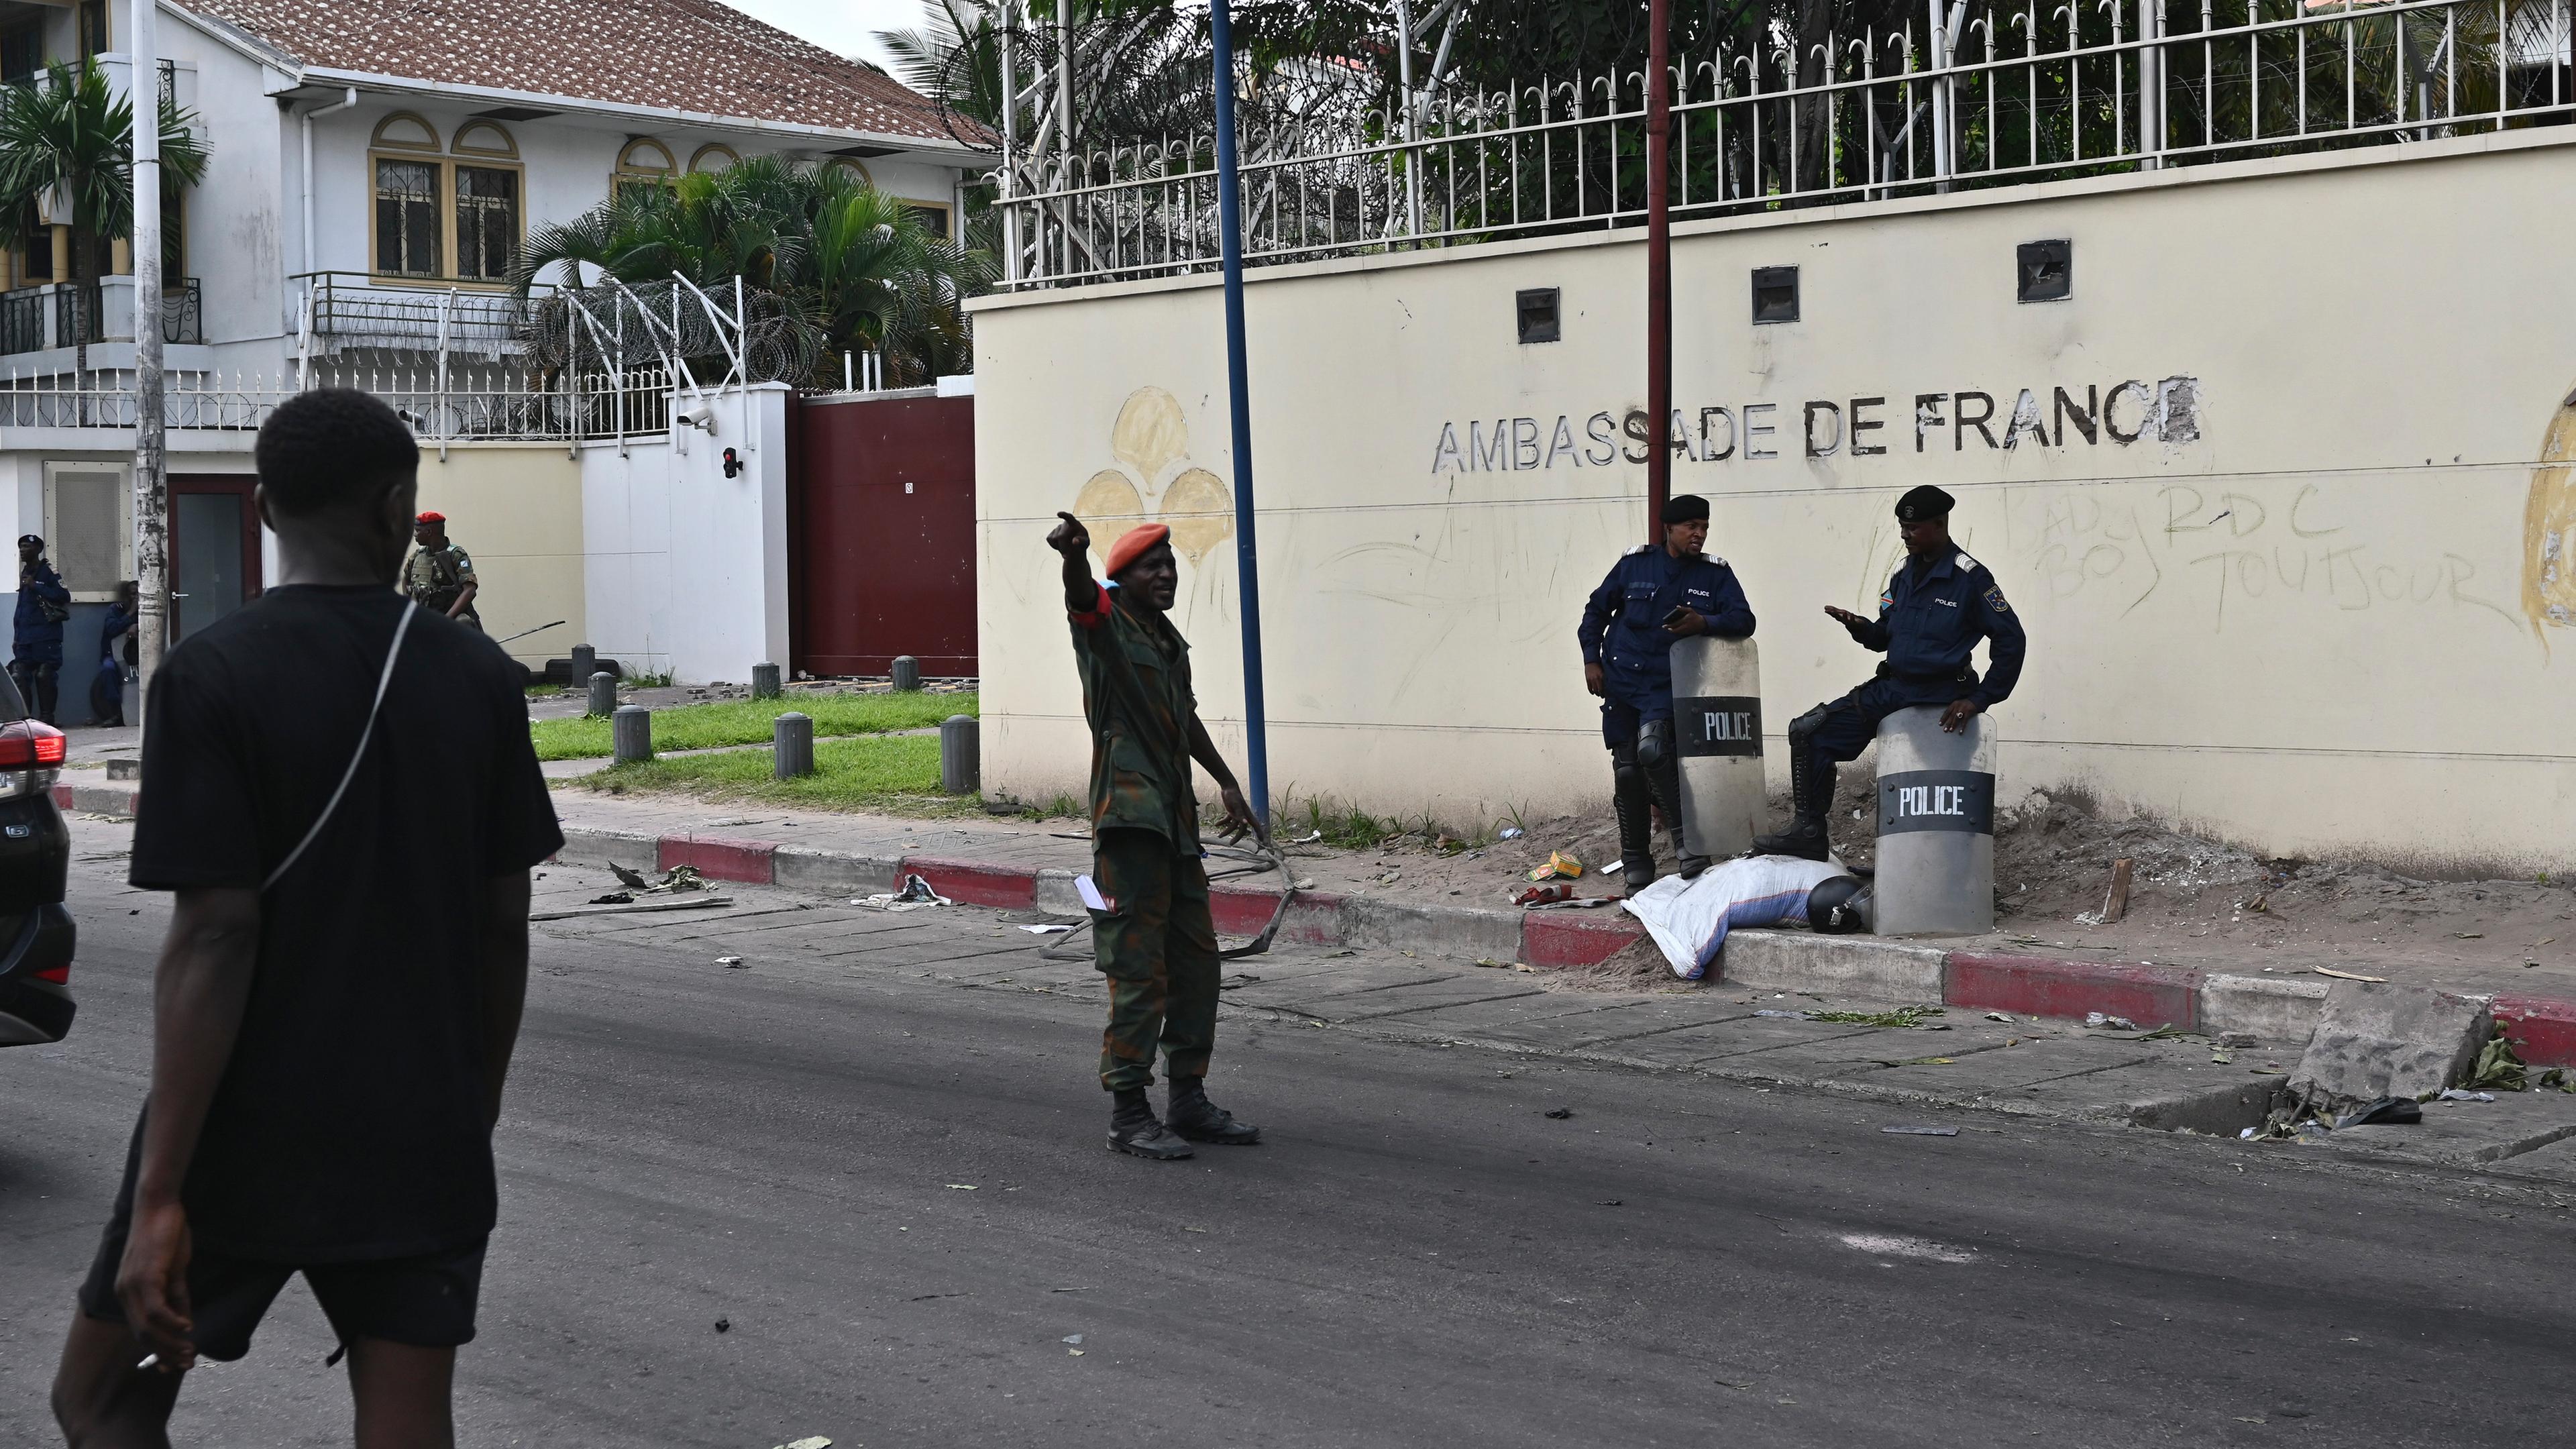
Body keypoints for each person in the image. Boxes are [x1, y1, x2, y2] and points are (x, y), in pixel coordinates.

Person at [50, 390, 562, 1448]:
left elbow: (215, 938)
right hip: (423, 1126)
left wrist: (160, 1196)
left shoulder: (212, 677)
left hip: (242, 1134)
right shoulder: (476, 678)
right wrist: (475, 1108)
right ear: (395, 509)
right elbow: (500, 924)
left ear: (267, 509)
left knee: (101, 1397)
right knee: (408, 1424)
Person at [1045, 511, 1265, 1161]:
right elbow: (1082, 600)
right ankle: (1129, 1112)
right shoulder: (1106, 629)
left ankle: (1188, 1100)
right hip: (1130, 826)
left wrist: (1226, 782)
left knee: (1197, 966)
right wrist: (1073, 559)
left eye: (1171, 565)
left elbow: (1185, 718)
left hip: (1175, 828)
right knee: (1139, 972)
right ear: (1124, 578)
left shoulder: (1167, 642)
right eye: (1153, 567)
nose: (1166, 574)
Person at [1752, 484, 2027, 861]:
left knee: (1937, 795)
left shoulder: (1971, 578)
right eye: (1902, 526)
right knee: (1808, 731)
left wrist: (1979, 700)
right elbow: (1884, 636)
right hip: (1895, 688)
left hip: (1942, 694)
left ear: (1940, 524)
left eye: (1913, 528)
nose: (1904, 534)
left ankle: (1948, 865)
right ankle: (1809, 832)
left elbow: (2012, 641)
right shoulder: (1902, 574)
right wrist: (1861, 627)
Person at [1577, 494, 1756, 891]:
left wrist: (1704, 623)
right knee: (1627, 773)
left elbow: (1744, 620)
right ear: (1669, 529)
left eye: (1705, 526)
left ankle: (1689, 846)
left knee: (1654, 753)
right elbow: (1595, 612)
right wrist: (1592, 660)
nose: (1700, 534)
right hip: (1623, 680)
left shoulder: (1715, 575)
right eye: (1691, 526)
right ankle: (1636, 859)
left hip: (1669, 684)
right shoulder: (1635, 564)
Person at [14, 532, 70, 724]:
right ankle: (24, 721)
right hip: (25, 638)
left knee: (44, 675)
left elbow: (64, 596)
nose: (23, 550)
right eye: (21, 547)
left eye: (27, 547)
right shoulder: (25, 573)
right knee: (19, 676)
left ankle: (47, 720)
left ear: (38, 549)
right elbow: (22, 607)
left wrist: (36, 586)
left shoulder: (48, 572)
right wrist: (16, 636)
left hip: (47, 637)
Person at [402, 511, 480, 630]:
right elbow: (405, 579)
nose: (415, 535)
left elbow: (470, 590)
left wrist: (446, 620)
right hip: (423, 617)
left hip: (447, 616)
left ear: (429, 532)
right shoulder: (418, 555)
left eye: (418, 531)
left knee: (463, 622)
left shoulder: (455, 555)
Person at [92, 581, 138, 728]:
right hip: (113, 656)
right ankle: (116, 714)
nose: (136, 598)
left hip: (136, 657)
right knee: (108, 669)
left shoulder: (146, 610)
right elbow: (111, 629)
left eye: (139, 594)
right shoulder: (115, 609)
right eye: (133, 594)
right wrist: (130, 613)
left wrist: (137, 626)